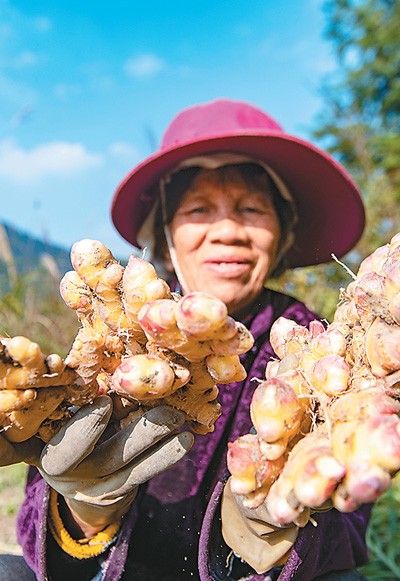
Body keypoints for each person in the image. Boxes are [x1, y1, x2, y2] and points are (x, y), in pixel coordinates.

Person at [0, 98, 370, 581]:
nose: (227, 231)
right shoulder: (120, 338)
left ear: (281, 234)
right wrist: (85, 512)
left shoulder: (317, 348)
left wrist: (268, 533)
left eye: (252, 209)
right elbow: (37, 513)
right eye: (198, 209)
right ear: (167, 236)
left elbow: (351, 521)